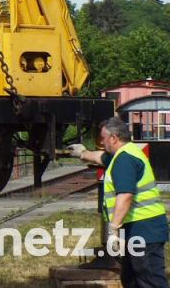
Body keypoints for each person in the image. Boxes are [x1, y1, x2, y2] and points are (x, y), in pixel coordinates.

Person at [67, 117, 168, 288]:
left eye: (103, 138)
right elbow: (101, 157)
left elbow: (125, 196)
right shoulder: (125, 153)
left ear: (113, 138)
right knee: (131, 278)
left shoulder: (124, 160)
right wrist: (82, 153)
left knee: (149, 280)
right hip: (139, 228)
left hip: (144, 230)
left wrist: (113, 229)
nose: (102, 142)